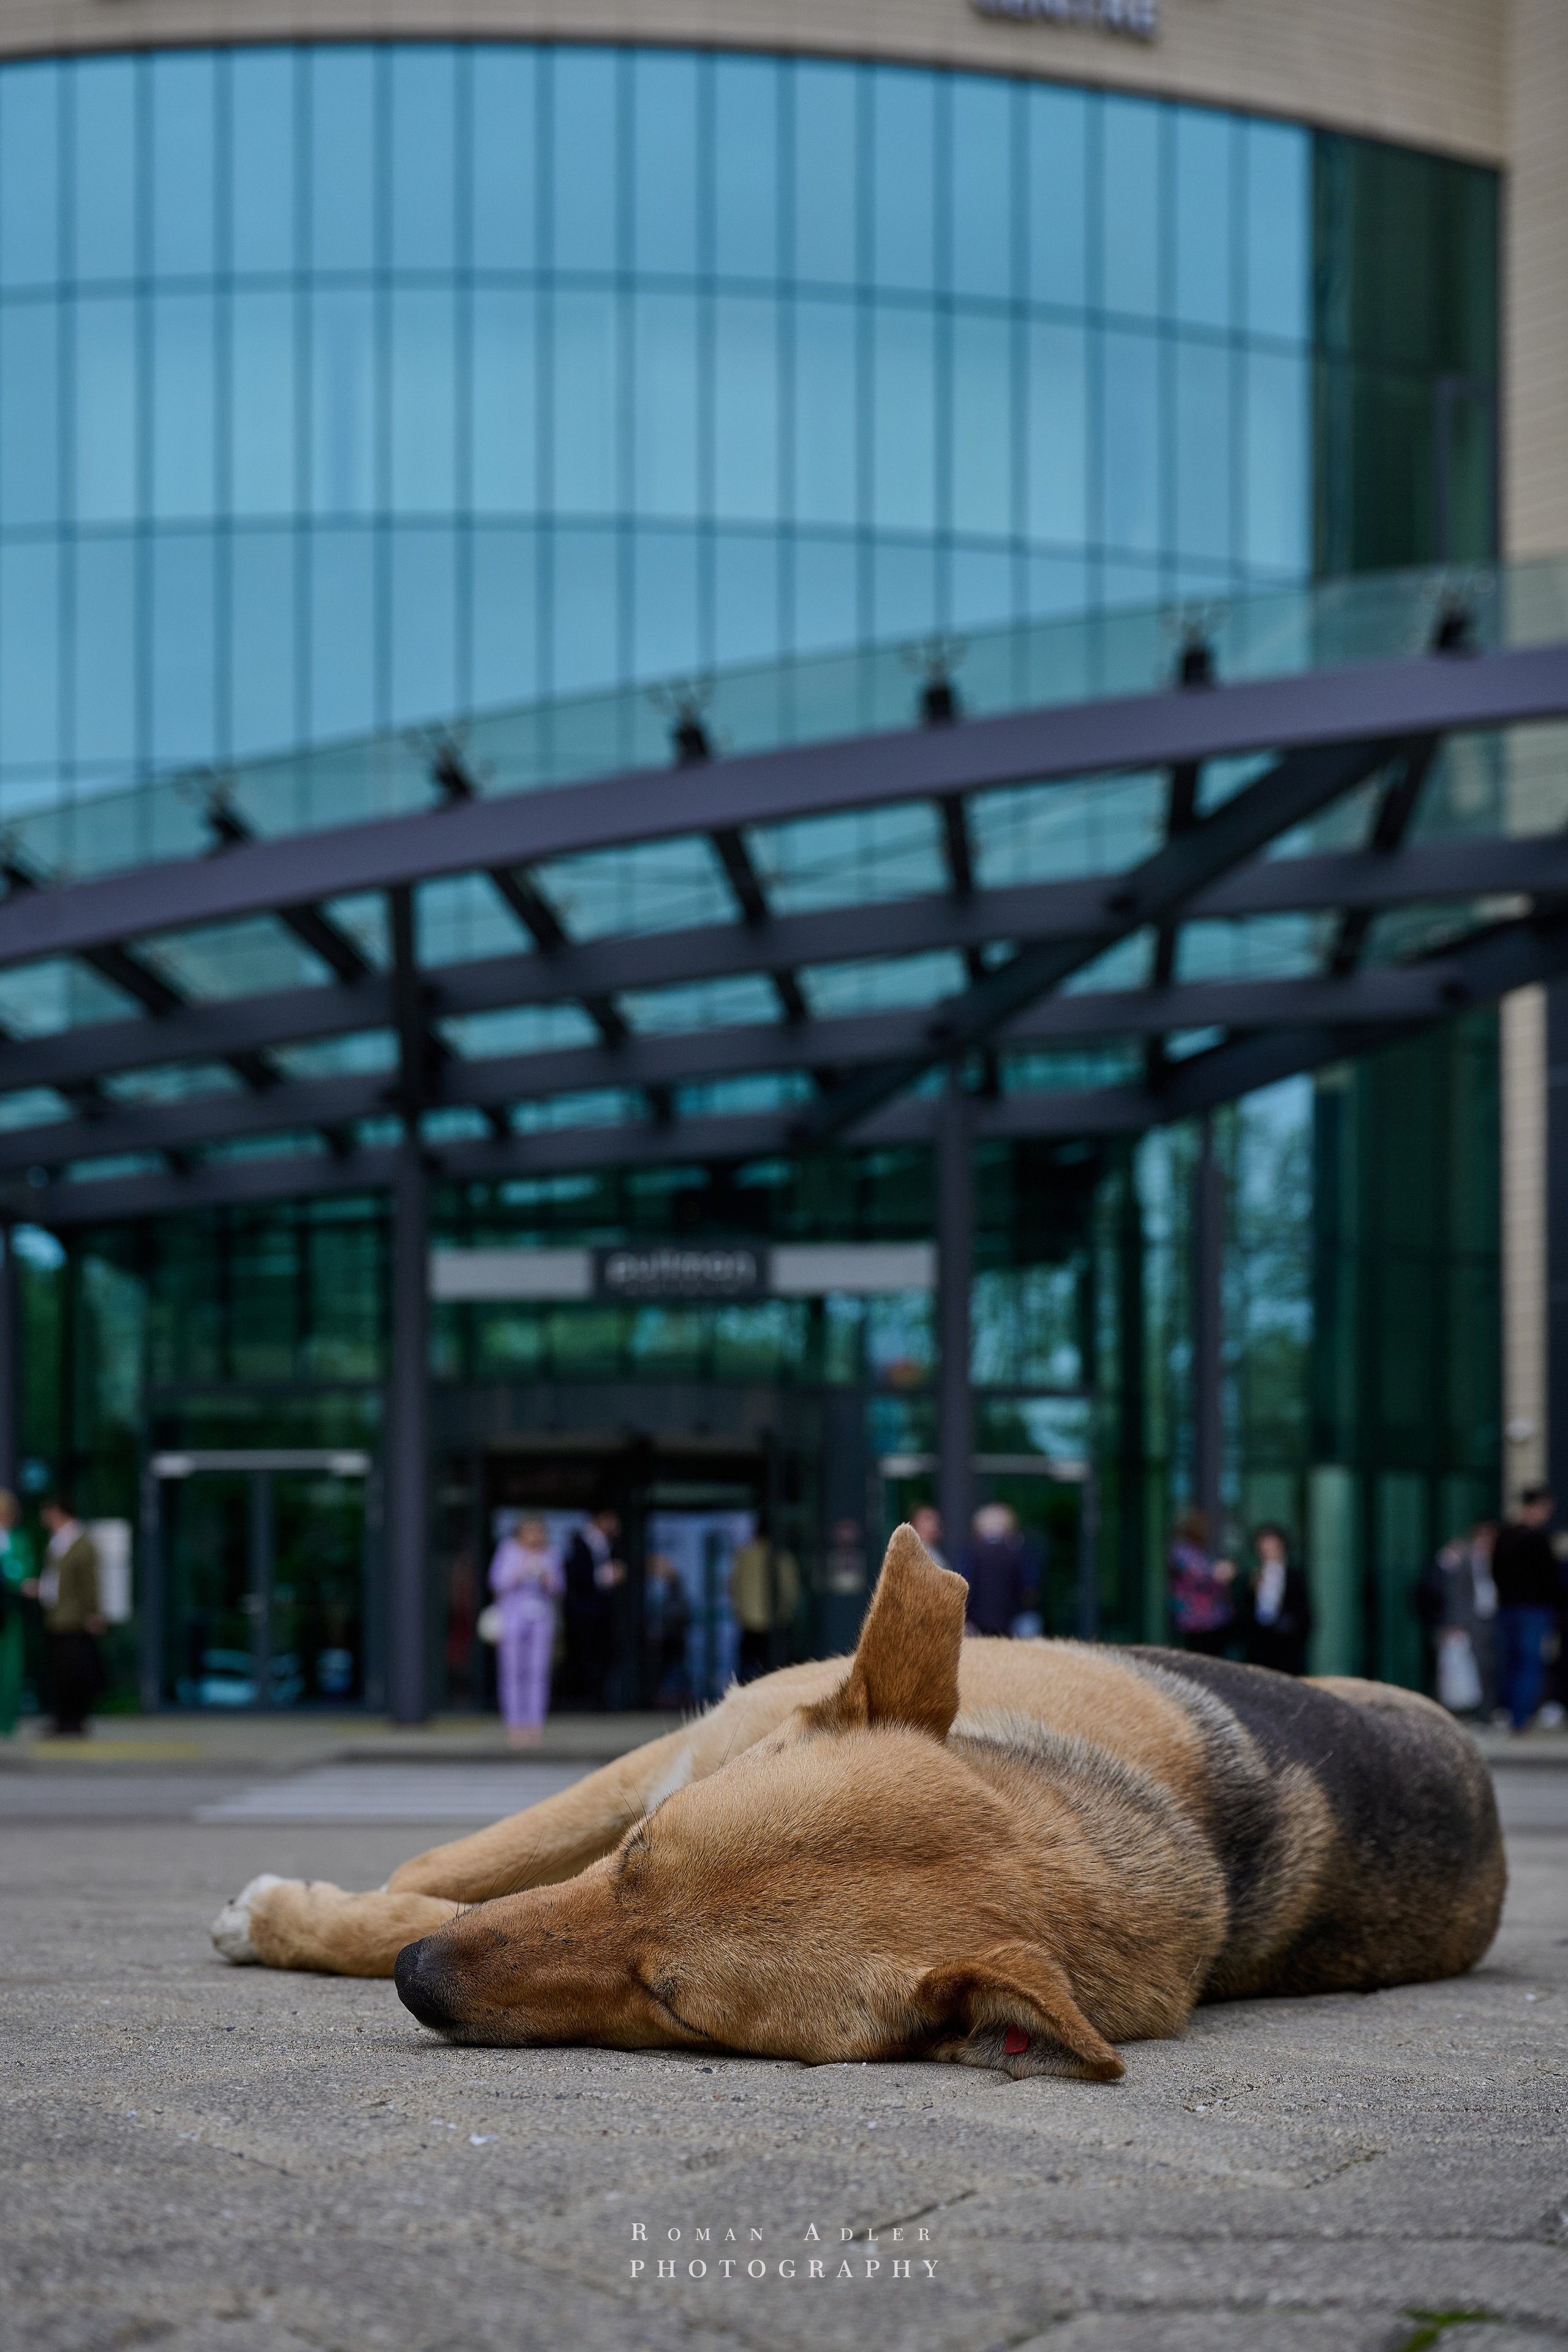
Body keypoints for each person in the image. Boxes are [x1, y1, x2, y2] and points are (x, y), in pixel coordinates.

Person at [22, 1498, 102, 1738]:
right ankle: (63, 1718)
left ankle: (75, 1720)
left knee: (74, 1670)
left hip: (74, 1617)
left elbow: (89, 1582)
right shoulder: (57, 1542)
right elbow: (57, 1578)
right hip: (56, 1615)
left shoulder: (81, 1543)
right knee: (59, 1671)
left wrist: (93, 1612)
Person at [1492, 1485, 1562, 1733]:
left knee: (1512, 1663)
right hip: (1534, 1610)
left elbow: (1496, 1574)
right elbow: (1551, 1580)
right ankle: (1520, 1719)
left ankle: (1509, 1714)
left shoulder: (1505, 1537)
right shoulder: (1538, 1539)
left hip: (1509, 1609)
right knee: (1528, 1665)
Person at [488, 1516, 564, 1747]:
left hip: (540, 1621)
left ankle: (534, 1725)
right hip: (512, 1622)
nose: (535, 1537)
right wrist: (522, 1571)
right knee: (512, 1672)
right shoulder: (508, 1551)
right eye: (530, 1532)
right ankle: (514, 1725)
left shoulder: (551, 1553)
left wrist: (544, 1577)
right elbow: (497, 1582)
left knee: (537, 1673)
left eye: (538, 1532)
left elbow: (559, 1587)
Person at [562, 1509, 627, 1711]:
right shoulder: (580, 1544)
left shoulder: (613, 1544)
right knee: (586, 1658)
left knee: (603, 1657)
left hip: (602, 1614)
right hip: (585, 1613)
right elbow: (576, 1577)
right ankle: (587, 1700)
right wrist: (605, 1576)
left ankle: (600, 1700)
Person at [728, 1523, 801, 1684]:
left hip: (749, 1623)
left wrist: (740, 1613)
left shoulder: (744, 1557)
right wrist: (786, 1614)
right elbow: (791, 1589)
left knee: (747, 1670)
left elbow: (733, 1587)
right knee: (775, 1672)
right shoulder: (782, 1557)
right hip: (774, 1624)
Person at [956, 1502, 1040, 1638]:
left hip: (977, 1623)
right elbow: (1030, 1587)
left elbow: (962, 1584)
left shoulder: (971, 1552)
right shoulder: (1018, 1552)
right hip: (1011, 1623)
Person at [1238, 1523, 1311, 1676]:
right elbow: (1245, 1612)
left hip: (1286, 1646)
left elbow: (1305, 1614)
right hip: (1260, 1645)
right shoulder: (1253, 1576)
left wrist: (1290, 1627)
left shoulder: (1295, 1576)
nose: (1269, 1550)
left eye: (1273, 1545)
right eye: (1264, 1546)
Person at [1167, 1507, 1235, 1657]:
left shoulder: (1197, 1551)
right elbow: (1203, 1574)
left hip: (1211, 1620)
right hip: (1196, 1620)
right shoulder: (1182, 1551)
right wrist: (1222, 1571)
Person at [0, 1490, 34, 1738]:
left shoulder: (19, 1539)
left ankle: (6, 1721)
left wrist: (11, 1573)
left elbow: (24, 1572)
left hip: (9, 1612)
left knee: (10, 1669)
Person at [643, 1553, 692, 1707]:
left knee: (675, 1669)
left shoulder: (675, 1586)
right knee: (663, 1670)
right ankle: (657, 1697)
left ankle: (677, 1698)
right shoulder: (648, 1586)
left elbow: (680, 1612)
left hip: (672, 1637)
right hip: (659, 1638)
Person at [910, 1504, 949, 1570]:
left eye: (936, 1519)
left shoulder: (935, 1550)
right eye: (928, 1519)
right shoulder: (913, 1553)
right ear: (917, 1523)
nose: (935, 1523)